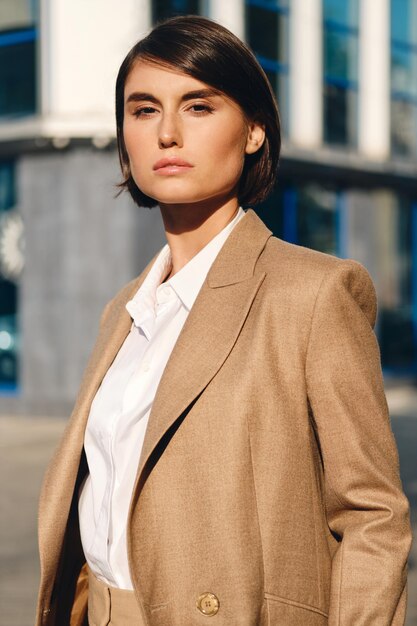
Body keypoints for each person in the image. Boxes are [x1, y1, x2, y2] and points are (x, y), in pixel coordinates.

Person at [35, 14, 412, 626]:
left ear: (255, 131)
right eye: (143, 109)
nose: (168, 133)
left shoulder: (313, 294)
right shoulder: (124, 310)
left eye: (199, 106)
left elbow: (372, 516)